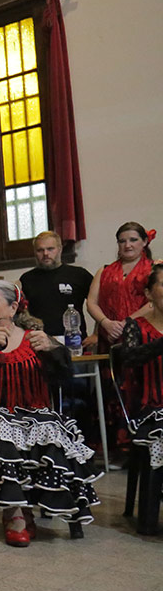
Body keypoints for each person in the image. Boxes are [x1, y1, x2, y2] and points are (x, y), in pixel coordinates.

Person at [0, 280, 100, 545]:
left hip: (34, 414)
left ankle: (56, 507)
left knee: (53, 434)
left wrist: (54, 349)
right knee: (6, 433)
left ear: (13, 307)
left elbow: (64, 377)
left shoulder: (34, 338)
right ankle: (16, 514)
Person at [116, 263, 163, 534]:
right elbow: (130, 359)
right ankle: (148, 517)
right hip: (149, 409)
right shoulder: (136, 326)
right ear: (148, 293)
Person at [86, 222, 155, 349]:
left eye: (133, 240)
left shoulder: (154, 269)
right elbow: (91, 302)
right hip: (109, 336)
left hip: (144, 337)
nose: (127, 245)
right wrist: (106, 323)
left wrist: (125, 324)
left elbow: (155, 302)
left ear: (144, 242)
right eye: (122, 241)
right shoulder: (104, 271)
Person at [19, 230, 93, 338]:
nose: (45, 254)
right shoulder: (26, 279)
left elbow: (101, 303)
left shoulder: (79, 275)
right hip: (38, 341)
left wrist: (96, 334)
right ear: (35, 252)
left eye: (50, 249)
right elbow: (19, 313)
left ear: (60, 249)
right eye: (40, 250)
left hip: (73, 341)